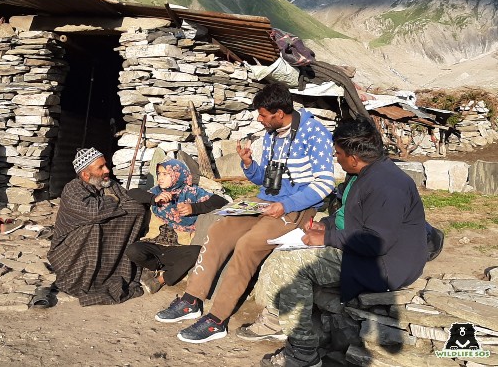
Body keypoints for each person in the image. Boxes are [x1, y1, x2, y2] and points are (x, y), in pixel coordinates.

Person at [154, 82, 336, 344]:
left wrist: (286, 205)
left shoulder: (314, 134)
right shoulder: (274, 134)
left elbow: (324, 183)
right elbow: (266, 179)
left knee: (248, 244)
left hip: (297, 207)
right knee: (219, 230)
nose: (259, 119)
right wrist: (249, 164)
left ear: (279, 113)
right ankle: (192, 300)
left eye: (263, 115)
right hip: (265, 201)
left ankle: (217, 319)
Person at [253, 117, 427, 367]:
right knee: (285, 253)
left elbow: (376, 242)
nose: (336, 158)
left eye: (338, 154)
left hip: (384, 265)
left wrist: (326, 237)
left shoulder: (387, 186)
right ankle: (278, 318)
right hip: (366, 251)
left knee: (290, 266)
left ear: (354, 158)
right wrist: (328, 225)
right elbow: (350, 214)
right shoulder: (365, 173)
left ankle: (302, 353)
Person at [48, 147, 145, 306]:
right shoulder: (72, 189)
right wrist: (113, 201)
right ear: (85, 175)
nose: (107, 170)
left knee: (134, 211)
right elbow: (93, 212)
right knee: (93, 228)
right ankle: (85, 279)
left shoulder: (110, 185)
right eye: (101, 167)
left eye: (105, 165)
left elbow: (133, 205)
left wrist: (112, 205)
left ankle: (109, 271)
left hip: (98, 245)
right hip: (68, 252)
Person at [126, 159, 228, 294]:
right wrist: (153, 199)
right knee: (133, 250)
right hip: (154, 245)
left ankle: (161, 279)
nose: (160, 178)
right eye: (159, 174)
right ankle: (154, 269)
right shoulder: (156, 192)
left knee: (197, 252)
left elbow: (221, 201)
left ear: (177, 174)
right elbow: (131, 193)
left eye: (165, 174)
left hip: (178, 248)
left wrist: (194, 207)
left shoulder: (191, 192)